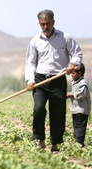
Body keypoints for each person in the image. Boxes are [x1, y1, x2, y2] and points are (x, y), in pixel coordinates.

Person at [25, 9, 82, 153]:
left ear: (53, 22)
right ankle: (40, 140)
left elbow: (77, 53)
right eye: (42, 24)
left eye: (47, 23)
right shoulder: (35, 41)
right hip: (40, 80)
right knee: (38, 109)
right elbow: (30, 63)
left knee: (57, 112)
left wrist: (71, 64)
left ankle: (55, 144)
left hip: (58, 80)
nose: (45, 27)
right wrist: (30, 80)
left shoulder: (65, 37)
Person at [67, 63, 90, 147]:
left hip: (82, 109)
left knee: (80, 127)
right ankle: (78, 143)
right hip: (75, 109)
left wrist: (71, 94)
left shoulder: (83, 83)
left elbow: (81, 94)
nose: (71, 75)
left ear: (80, 73)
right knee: (76, 127)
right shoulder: (74, 82)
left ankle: (80, 144)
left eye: (73, 73)